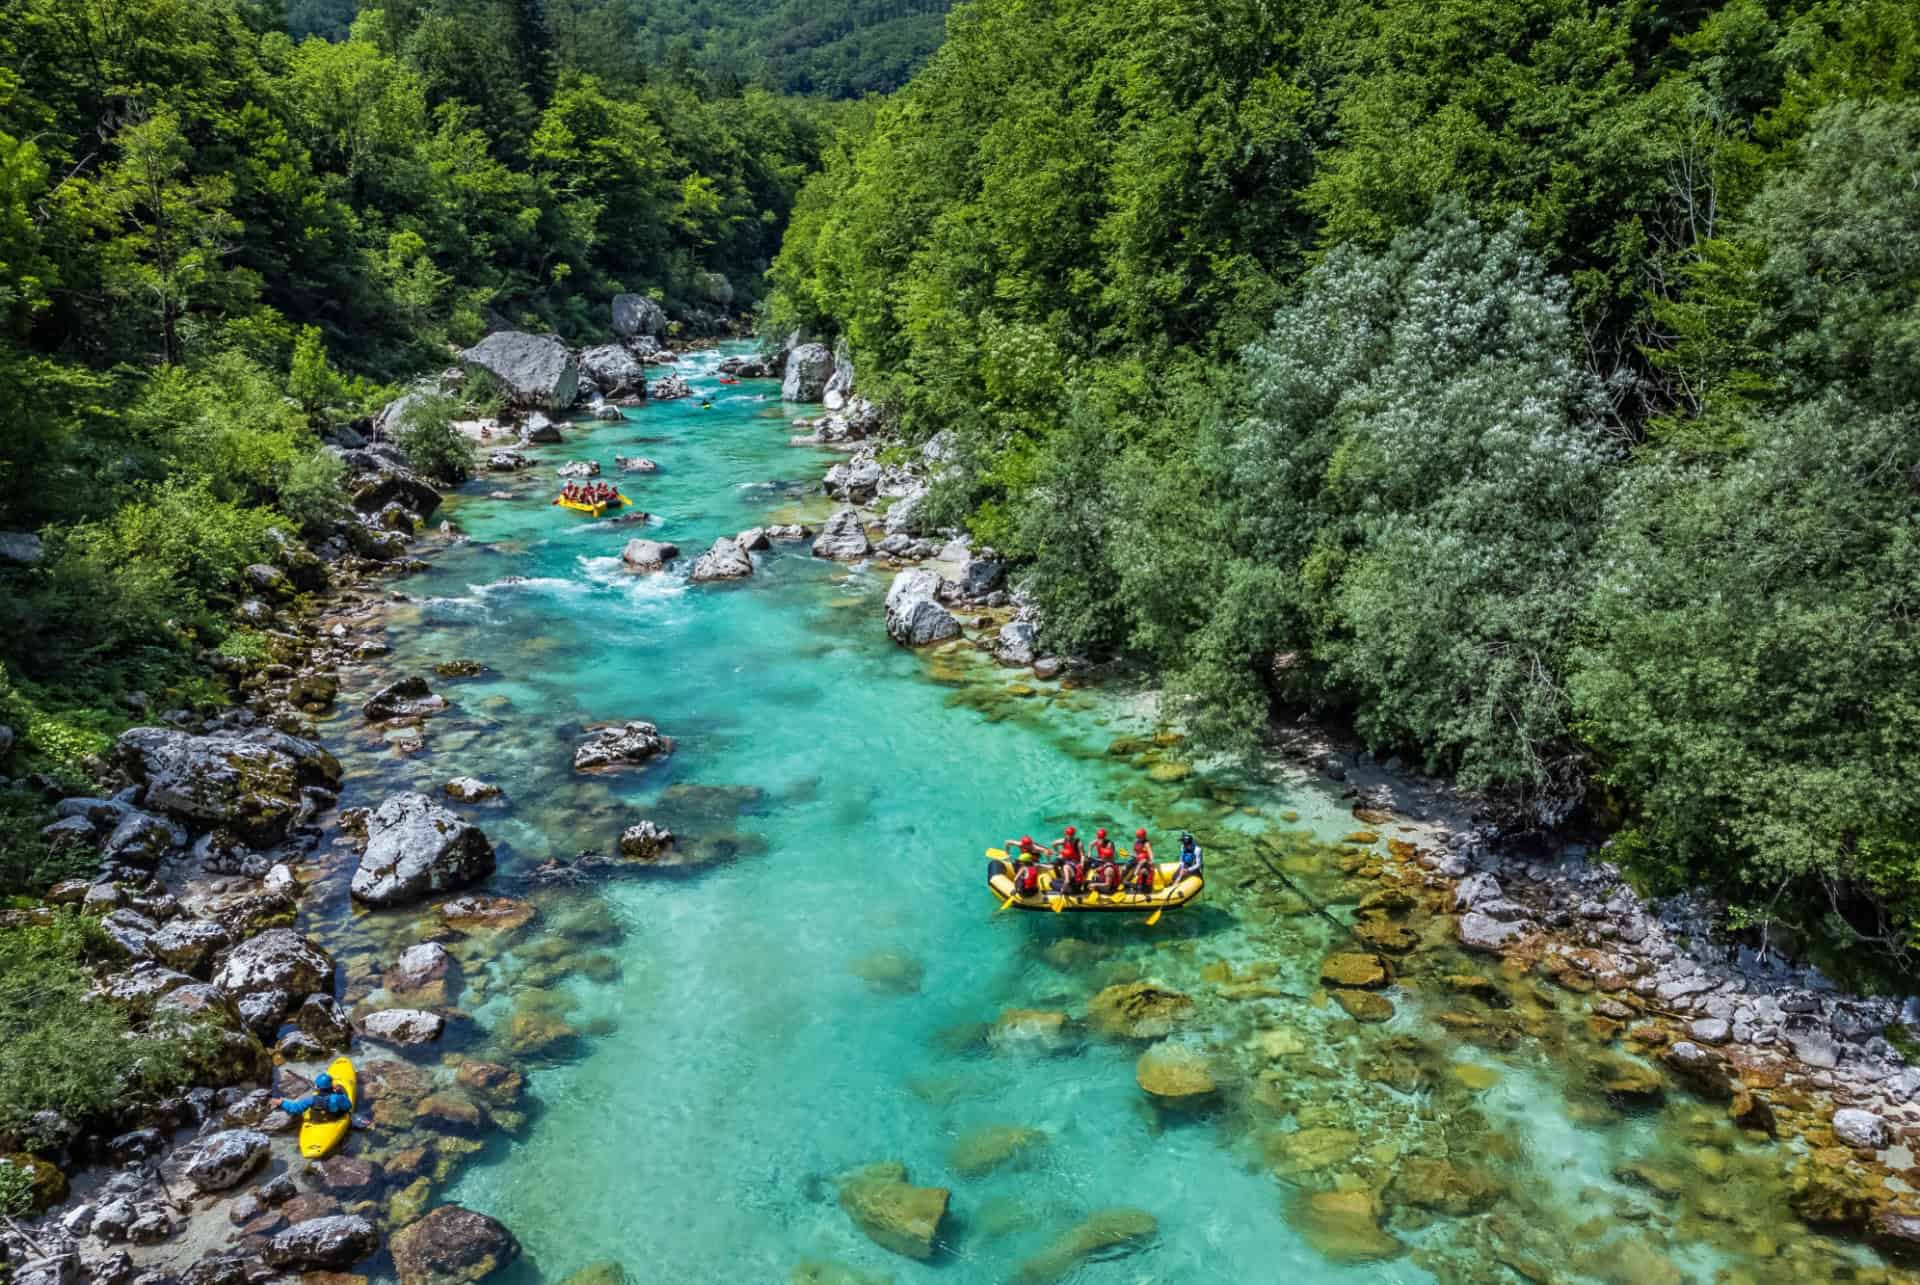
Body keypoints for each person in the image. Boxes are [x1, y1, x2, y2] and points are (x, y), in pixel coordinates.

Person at [275, 1071, 351, 1121]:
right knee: (341, 1089)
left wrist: (281, 1102)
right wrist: (340, 1092)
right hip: (334, 1118)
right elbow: (348, 1106)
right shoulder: (337, 1098)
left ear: (317, 1087)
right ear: (330, 1086)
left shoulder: (311, 1100)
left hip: (319, 1120)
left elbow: (295, 1108)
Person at [1128, 828, 1156, 894]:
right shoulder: (1136, 842)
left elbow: (1150, 853)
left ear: (1143, 836)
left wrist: (1151, 860)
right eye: (1137, 837)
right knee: (1128, 865)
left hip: (1144, 888)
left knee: (1141, 870)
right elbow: (1134, 852)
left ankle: (1129, 882)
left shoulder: (1146, 844)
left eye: (1139, 837)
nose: (1138, 838)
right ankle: (1126, 880)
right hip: (1138, 860)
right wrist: (1132, 855)